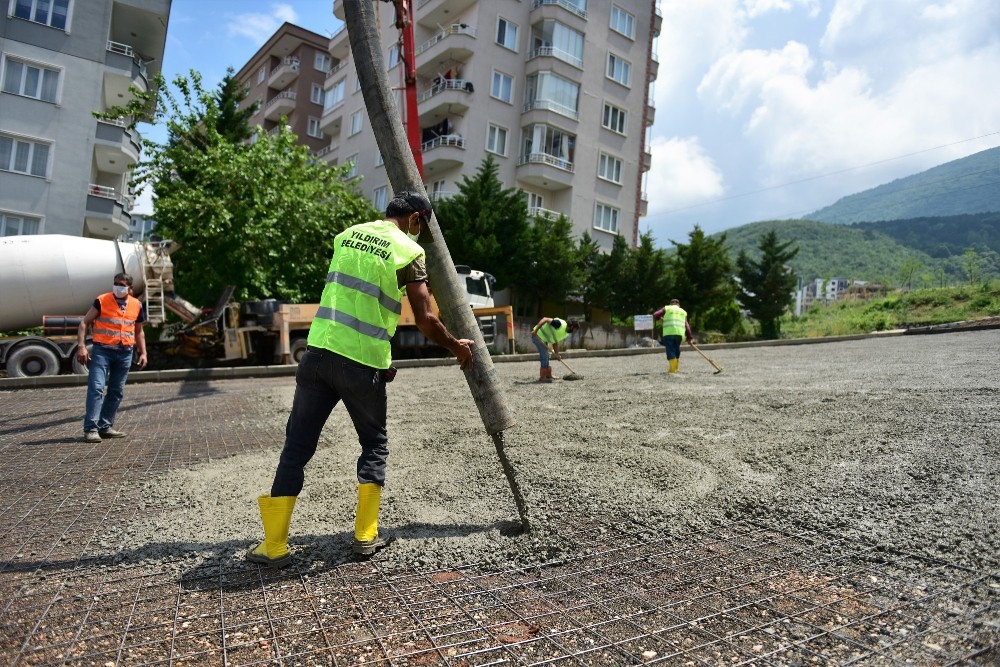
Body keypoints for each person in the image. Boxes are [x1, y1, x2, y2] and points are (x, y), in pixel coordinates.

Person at [248, 191, 474, 567]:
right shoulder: (408, 251)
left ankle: (273, 545)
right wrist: (457, 347)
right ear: (416, 219)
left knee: (296, 448)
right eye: (423, 225)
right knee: (374, 444)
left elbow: (352, 298)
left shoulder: (346, 235)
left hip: (318, 353)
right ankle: (365, 536)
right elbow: (425, 319)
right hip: (362, 364)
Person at [76, 272, 148, 442]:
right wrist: (81, 347)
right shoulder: (102, 300)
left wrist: (143, 352)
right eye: (116, 283)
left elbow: (139, 331)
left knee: (116, 391)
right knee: (97, 388)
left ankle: (105, 426)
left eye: (122, 284)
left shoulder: (136, 305)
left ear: (130, 289)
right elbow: (84, 323)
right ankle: (91, 429)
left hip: (125, 353)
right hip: (103, 351)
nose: (118, 287)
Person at [530, 317, 579, 382]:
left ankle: (548, 375)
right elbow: (545, 319)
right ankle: (542, 377)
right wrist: (535, 330)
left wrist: (557, 354)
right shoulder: (558, 324)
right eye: (575, 329)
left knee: (547, 355)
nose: (574, 331)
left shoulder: (566, 333)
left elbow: (555, 341)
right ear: (572, 326)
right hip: (537, 335)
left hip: (544, 339)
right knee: (544, 355)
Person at [653, 299, 693, 374]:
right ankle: (676, 368)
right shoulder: (683, 311)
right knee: (676, 349)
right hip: (679, 333)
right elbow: (687, 325)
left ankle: (672, 369)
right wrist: (689, 338)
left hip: (669, 332)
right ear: (678, 304)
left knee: (670, 349)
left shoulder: (667, 308)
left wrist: (660, 318)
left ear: (671, 304)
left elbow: (655, 315)